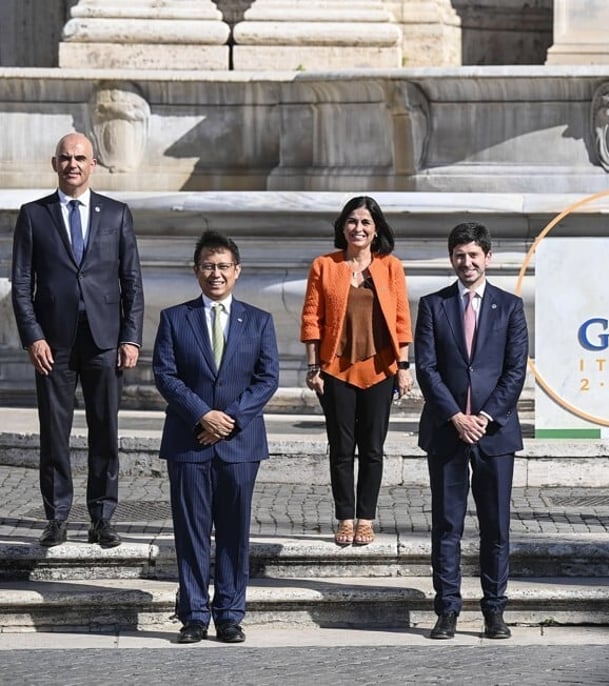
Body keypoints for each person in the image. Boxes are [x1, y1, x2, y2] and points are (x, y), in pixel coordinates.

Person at [10, 132, 144, 548]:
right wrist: (33, 337)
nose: (73, 164)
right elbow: (20, 284)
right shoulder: (34, 215)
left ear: (93, 165)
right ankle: (56, 517)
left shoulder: (116, 214)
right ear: (55, 164)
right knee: (54, 432)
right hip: (54, 343)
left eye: (80, 158)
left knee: (105, 430)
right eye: (66, 158)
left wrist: (131, 337)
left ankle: (102, 518)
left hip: (105, 340)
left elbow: (132, 281)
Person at [153, 231, 279, 645]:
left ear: (237, 271)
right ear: (196, 271)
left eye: (223, 266)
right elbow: (165, 374)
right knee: (190, 533)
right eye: (208, 266)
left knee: (234, 533)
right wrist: (202, 415)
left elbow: (267, 378)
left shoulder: (259, 321)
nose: (216, 273)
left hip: (240, 445)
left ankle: (229, 614)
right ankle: (192, 615)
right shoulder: (175, 318)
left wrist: (230, 420)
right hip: (188, 441)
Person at [415, 222, 529, 641]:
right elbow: (426, 367)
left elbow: (515, 369)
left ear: (488, 258)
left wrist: (484, 417)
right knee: (447, 526)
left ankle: (494, 611)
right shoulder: (433, 305)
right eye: (459, 255)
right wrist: (455, 416)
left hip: (494, 433)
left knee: (495, 527)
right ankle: (447, 610)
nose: (467, 262)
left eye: (474, 255)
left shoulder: (510, 306)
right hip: (447, 431)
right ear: (452, 259)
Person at [300, 196, 413, 547]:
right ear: (343, 226)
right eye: (352, 221)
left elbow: (402, 320)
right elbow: (311, 319)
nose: (358, 228)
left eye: (365, 222)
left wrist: (404, 367)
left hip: (379, 369)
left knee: (373, 449)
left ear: (376, 229)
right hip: (337, 369)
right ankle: (345, 518)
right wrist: (313, 366)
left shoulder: (391, 266)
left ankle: (366, 519)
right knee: (341, 449)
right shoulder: (324, 265)